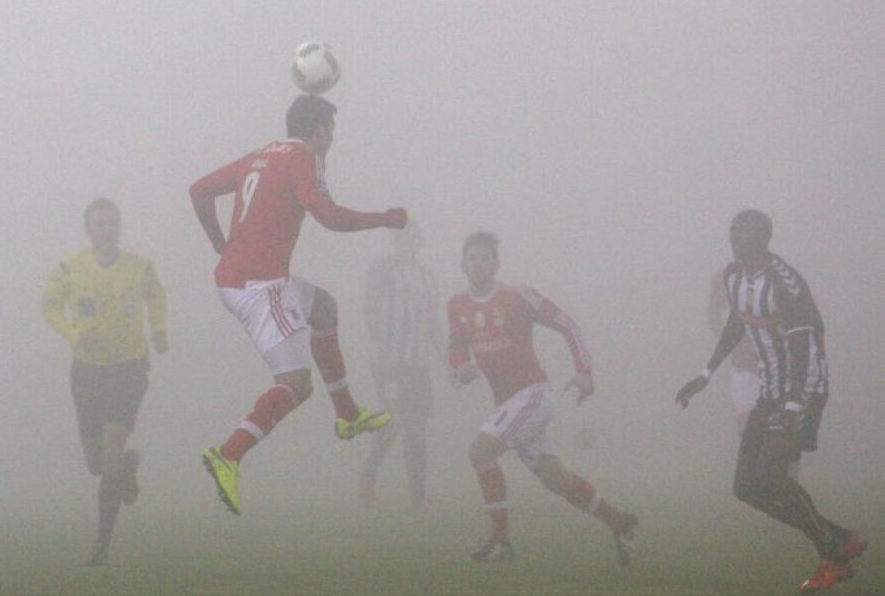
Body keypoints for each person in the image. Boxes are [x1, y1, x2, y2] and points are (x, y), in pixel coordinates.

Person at [189, 94, 407, 515]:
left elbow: (198, 191)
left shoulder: (261, 155)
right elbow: (329, 217)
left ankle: (347, 414)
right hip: (259, 286)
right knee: (296, 384)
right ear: (318, 129)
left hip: (247, 277)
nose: (333, 140)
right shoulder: (303, 157)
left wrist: (221, 245)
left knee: (324, 308)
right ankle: (228, 455)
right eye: (331, 130)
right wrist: (384, 218)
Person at [676, 210, 865, 592]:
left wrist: (795, 405)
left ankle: (833, 556)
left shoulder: (785, 282)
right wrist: (705, 374)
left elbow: (801, 344)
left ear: (764, 236)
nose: (734, 238)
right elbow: (736, 325)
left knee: (771, 476)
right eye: (731, 231)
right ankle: (839, 539)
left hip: (804, 388)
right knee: (745, 487)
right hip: (771, 390)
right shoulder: (733, 275)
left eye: (743, 232)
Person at [449, 232, 636, 565]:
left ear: (497, 264)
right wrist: (460, 366)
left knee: (480, 451)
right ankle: (619, 522)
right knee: (556, 479)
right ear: (463, 265)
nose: (479, 264)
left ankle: (500, 541)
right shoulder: (457, 305)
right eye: (472, 258)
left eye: (485, 257)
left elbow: (567, 323)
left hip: (533, 393)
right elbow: (457, 345)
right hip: (507, 402)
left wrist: (584, 370)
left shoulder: (518, 296)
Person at [42, 198, 168, 566]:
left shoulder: (140, 267)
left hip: (128, 369)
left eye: (113, 223)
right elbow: (49, 305)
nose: (107, 230)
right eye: (100, 224)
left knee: (109, 457)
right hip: (87, 371)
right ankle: (126, 470)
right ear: (88, 230)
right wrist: (73, 333)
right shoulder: (70, 268)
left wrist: (159, 331)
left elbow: (156, 295)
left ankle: (102, 543)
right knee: (96, 466)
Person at [360, 222, 441, 510]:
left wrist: (447, 360)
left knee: (417, 428)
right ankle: (368, 479)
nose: (409, 242)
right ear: (396, 240)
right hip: (391, 361)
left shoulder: (428, 278)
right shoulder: (383, 270)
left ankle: (417, 497)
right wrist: (379, 349)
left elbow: (432, 323)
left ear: (419, 241)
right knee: (394, 422)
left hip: (418, 364)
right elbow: (370, 309)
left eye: (414, 237)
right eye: (403, 237)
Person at [708, 268, 760, 432]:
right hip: (745, 366)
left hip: (777, 367)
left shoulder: (775, 277)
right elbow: (713, 314)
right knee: (747, 423)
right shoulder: (728, 277)